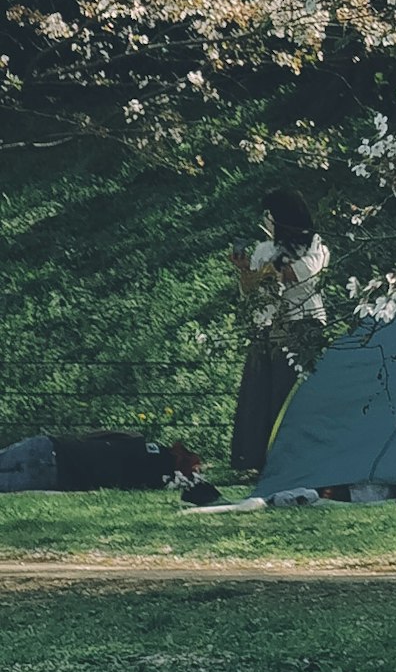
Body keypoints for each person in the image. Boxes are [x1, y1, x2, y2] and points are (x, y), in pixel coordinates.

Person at [225, 189, 332, 482]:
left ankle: (292, 460)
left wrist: (271, 268)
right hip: (268, 326)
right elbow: (252, 291)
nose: (267, 222)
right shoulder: (263, 249)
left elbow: (298, 275)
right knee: (258, 395)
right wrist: (244, 269)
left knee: (287, 395)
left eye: (271, 215)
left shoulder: (315, 247)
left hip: (301, 325)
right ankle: (255, 462)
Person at [0, 427, 204, 494]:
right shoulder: (150, 477)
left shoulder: (137, 442)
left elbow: (99, 435)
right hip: (60, 474)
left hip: (53, 447)